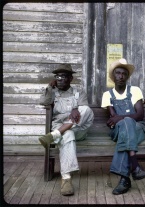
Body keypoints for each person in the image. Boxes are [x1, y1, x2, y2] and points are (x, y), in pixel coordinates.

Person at [38, 63, 94, 196]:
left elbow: (84, 111)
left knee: (86, 109)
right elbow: (43, 102)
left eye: (64, 76)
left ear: (70, 79)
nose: (60, 79)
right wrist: (49, 88)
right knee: (67, 134)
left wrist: (76, 108)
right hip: (63, 129)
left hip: (78, 129)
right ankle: (66, 179)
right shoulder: (53, 92)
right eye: (57, 76)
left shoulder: (78, 92)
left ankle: (54, 135)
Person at [101, 58, 145, 195]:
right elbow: (113, 119)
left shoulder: (135, 91)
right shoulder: (107, 95)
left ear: (127, 76)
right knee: (126, 123)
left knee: (127, 124)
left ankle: (124, 179)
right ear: (113, 76)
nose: (121, 76)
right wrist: (121, 119)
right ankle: (135, 166)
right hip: (117, 130)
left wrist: (120, 118)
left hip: (138, 128)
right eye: (118, 73)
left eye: (124, 73)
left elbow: (140, 115)